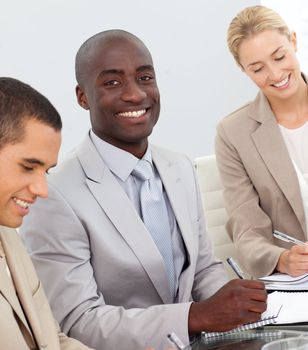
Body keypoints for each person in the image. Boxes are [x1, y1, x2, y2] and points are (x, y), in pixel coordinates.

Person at [20, 30, 267, 349]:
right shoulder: (55, 193)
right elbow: (77, 322)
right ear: (82, 97)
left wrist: (242, 309)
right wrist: (196, 316)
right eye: (112, 82)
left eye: (145, 77)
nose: (135, 95)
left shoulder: (179, 166)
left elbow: (202, 268)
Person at [215, 5, 308, 278]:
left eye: (279, 57)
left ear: (293, 40)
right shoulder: (233, 133)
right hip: (298, 283)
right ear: (243, 69)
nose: (275, 74)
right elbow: (247, 232)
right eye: (258, 68)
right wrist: (282, 258)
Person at [0, 77, 92, 349]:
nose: (42, 190)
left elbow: (53, 342)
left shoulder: (8, 234)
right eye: (29, 167)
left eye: (46, 171)